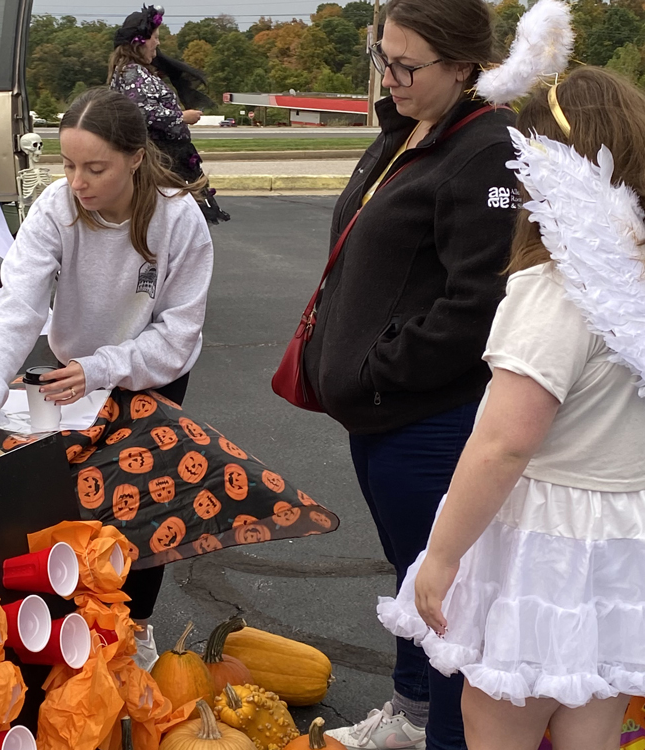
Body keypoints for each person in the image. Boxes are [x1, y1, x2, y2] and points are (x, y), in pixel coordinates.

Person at [378, 66, 645, 749]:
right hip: (623, 537)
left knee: (498, 719)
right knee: (593, 721)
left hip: (546, 540)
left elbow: (505, 443)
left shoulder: (556, 289)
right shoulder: (636, 281)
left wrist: (442, 555)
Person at [294, 0, 519, 747]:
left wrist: (375, 367)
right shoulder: (408, 129)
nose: (387, 78)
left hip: (430, 419)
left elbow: (480, 304)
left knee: (445, 592)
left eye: (405, 66)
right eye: (381, 58)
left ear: (463, 66)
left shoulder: (485, 150)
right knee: (411, 571)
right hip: (381, 413)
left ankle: (447, 732)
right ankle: (414, 711)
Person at [0, 87, 214, 670]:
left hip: (151, 376)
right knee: (75, 498)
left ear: (136, 158)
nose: (78, 182)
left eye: (95, 168)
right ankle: (79, 623)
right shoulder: (56, 208)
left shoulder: (180, 219)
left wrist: (102, 367)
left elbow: (177, 335)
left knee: (146, 509)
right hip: (73, 375)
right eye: (68, 165)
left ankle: (137, 628)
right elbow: (17, 307)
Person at [109, 4, 231, 225]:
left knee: (173, 218)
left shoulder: (132, 71)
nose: (158, 43)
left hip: (164, 162)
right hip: (160, 163)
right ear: (139, 42)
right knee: (171, 220)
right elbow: (140, 111)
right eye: (155, 37)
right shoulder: (131, 72)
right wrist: (181, 117)